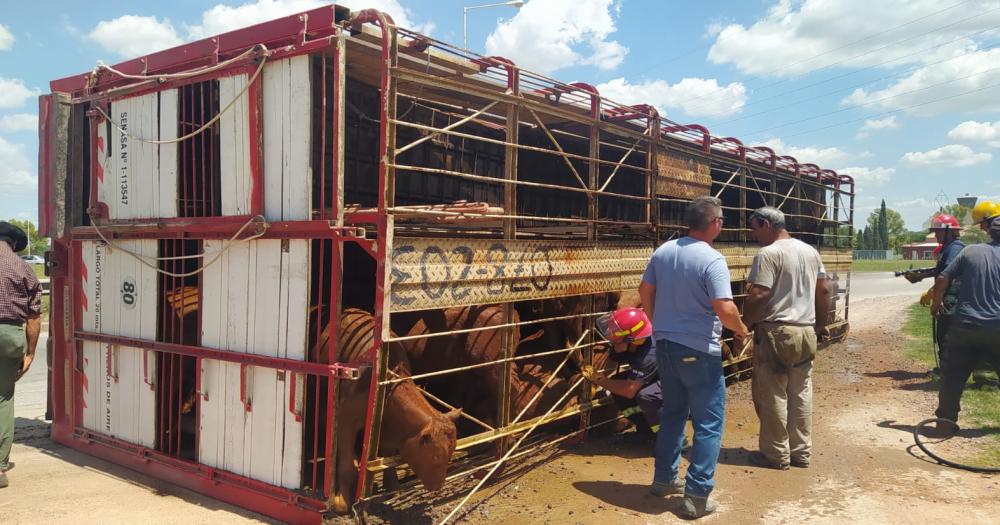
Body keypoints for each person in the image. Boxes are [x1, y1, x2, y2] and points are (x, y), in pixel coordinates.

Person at [638, 196, 749, 519]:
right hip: (699, 351)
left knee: (672, 415)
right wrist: (741, 330)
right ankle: (697, 497)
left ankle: (663, 480)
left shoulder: (664, 250)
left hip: (667, 347)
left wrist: (657, 323)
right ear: (714, 223)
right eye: (722, 220)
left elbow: (645, 290)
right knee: (709, 425)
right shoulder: (713, 260)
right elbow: (725, 308)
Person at [742, 207, 830, 471]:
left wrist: (743, 325)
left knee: (773, 393)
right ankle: (801, 453)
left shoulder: (769, 254)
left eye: (755, 228)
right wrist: (821, 325)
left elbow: (759, 294)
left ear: (766, 224)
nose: (754, 234)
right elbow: (824, 289)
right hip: (806, 330)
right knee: (801, 392)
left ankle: (776, 454)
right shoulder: (810, 251)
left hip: (777, 331)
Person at [931, 204, 1000, 432]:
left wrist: (936, 302)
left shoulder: (971, 251)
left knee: (953, 375)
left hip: (966, 325)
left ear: (988, 229)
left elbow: (942, 278)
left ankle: (946, 422)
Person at [0, 221, 43, 489]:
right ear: (14, 245)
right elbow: (35, 319)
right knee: (3, 398)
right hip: (10, 337)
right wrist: (31, 353)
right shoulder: (24, 268)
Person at [584, 308, 662, 444]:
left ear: (631, 338)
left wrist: (599, 380)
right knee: (617, 384)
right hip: (656, 376)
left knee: (645, 395)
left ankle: (671, 439)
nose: (612, 338)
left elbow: (629, 390)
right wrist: (619, 350)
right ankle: (645, 431)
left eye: (616, 338)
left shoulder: (649, 355)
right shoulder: (640, 340)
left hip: (676, 384)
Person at [903, 214, 964, 374]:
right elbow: (940, 271)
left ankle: (947, 372)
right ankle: (946, 369)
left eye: (937, 231)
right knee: (943, 334)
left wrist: (937, 297)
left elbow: (947, 274)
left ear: (949, 231)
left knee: (946, 335)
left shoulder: (955, 248)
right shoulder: (947, 248)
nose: (935, 235)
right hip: (947, 296)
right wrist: (921, 275)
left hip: (952, 298)